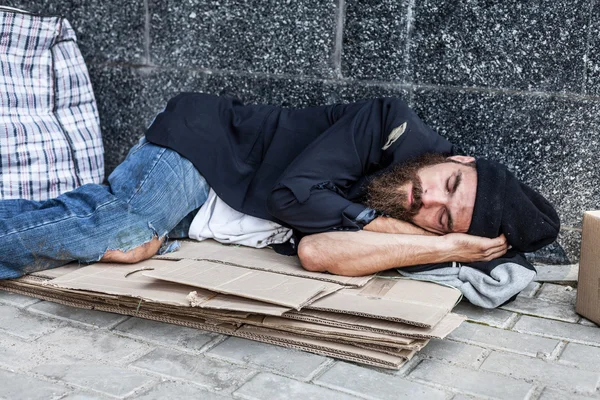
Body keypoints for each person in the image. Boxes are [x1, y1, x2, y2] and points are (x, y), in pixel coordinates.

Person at [0, 94, 560, 307]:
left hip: (205, 216)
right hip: (204, 151)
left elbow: (317, 253)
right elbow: (292, 197)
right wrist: (387, 227)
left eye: (441, 217)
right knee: (116, 228)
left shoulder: (424, 226)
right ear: (460, 160)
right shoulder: (391, 123)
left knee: (122, 240)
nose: (427, 199)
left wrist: (453, 244)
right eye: (449, 185)